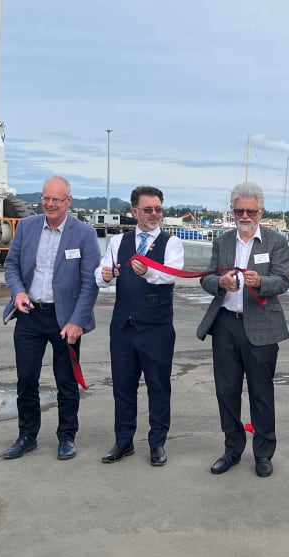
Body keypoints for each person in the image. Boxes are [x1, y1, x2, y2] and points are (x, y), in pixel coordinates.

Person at [2, 176, 101, 460]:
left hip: (65, 319)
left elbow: (89, 283)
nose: (49, 203)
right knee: (26, 379)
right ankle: (26, 435)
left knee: (66, 382)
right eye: (46, 198)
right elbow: (11, 265)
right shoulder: (28, 227)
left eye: (56, 199)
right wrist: (18, 292)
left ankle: (66, 436)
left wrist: (77, 322)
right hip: (30, 314)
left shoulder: (83, 234)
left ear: (68, 201)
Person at [196, 182, 289, 478]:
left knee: (261, 392)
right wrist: (219, 283)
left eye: (251, 210)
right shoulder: (222, 242)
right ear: (233, 212)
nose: (245, 215)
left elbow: (283, 281)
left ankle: (263, 453)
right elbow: (206, 278)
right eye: (239, 210)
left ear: (261, 211)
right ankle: (232, 450)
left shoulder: (276, 241)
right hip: (225, 324)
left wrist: (259, 281)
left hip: (262, 325)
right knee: (226, 391)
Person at [96, 186, 185, 467]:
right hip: (123, 326)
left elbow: (171, 275)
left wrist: (149, 271)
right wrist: (105, 275)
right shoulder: (118, 241)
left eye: (158, 209)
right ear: (134, 212)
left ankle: (157, 442)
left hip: (156, 328)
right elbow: (100, 276)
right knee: (122, 386)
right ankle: (123, 442)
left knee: (158, 387)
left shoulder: (172, 244)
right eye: (148, 209)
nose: (155, 214)